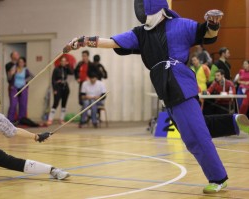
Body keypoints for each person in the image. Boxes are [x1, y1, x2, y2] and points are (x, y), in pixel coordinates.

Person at [63, 0, 232, 193]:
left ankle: (218, 178)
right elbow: (112, 42)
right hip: (165, 88)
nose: (142, 11)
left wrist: (213, 23)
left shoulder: (180, 24)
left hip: (180, 84)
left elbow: (207, 34)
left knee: (196, 135)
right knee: (192, 132)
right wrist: (83, 41)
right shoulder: (140, 33)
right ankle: (234, 122)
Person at [47, 56, 73, 125]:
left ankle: (61, 119)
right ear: (60, 62)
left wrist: (68, 66)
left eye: (65, 61)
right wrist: (55, 89)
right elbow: (53, 80)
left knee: (64, 104)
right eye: (62, 61)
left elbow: (72, 72)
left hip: (65, 88)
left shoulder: (66, 69)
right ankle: (50, 119)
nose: (63, 62)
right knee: (56, 103)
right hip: (58, 88)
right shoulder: (56, 69)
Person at [7, 57, 33, 123]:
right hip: (14, 88)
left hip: (23, 88)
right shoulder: (14, 68)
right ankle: (10, 120)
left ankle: (21, 120)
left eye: (22, 62)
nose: (20, 63)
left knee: (23, 104)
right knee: (13, 104)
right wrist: (11, 74)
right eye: (19, 62)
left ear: (24, 63)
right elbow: (9, 78)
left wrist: (25, 81)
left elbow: (32, 76)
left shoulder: (26, 70)